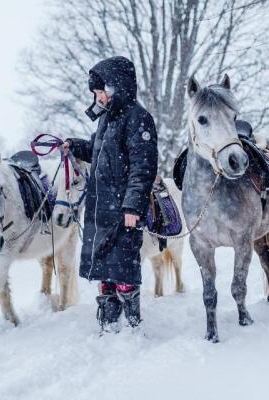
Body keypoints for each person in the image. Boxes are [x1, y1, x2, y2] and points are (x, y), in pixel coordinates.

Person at [63, 56, 158, 332]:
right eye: (96, 93)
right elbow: (96, 150)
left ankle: (131, 321)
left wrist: (132, 207)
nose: (98, 97)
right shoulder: (106, 120)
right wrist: (75, 146)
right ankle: (108, 319)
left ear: (118, 87)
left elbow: (143, 168)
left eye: (101, 91)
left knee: (123, 265)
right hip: (101, 207)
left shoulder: (138, 119)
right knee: (105, 265)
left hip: (122, 210)